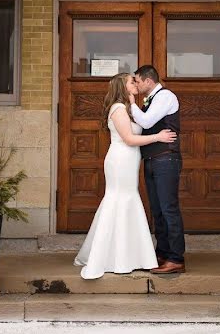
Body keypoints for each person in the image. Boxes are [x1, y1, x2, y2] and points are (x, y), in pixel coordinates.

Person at [74, 73, 176, 280]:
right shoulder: (118, 109)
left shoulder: (127, 108)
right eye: (132, 81)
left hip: (129, 161)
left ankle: (127, 255)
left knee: (127, 200)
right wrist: (159, 136)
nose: (135, 83)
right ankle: (114, 256)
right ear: (123, 86)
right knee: (119, 199)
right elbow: (129, 139)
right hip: (120, 161)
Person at [130, 65, 185, 274]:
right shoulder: (151, 99)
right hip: (152, 159)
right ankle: (162, 253)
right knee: (157, 210)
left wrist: (132, 103)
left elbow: (146, 121)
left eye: (137, 80)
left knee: (169, 208)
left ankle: (176, 258)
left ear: (148, 81)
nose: (135, 84)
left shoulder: (165, 96)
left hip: (166, 159)